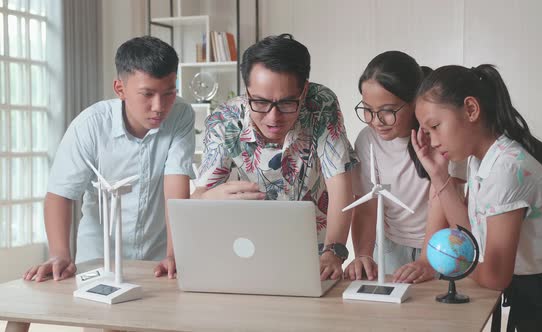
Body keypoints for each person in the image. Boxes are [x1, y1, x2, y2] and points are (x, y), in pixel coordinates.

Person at [410, 64, 542, 331]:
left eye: (435, 126)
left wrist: (458, 266)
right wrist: (438, 176)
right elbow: (471, 239)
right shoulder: (481, 160)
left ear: (471, 109)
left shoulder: (506, 168)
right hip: (536, 283)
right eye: (427, 132)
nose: (433, 141)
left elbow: (495, 277)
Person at [23, 36, 195, 282]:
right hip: (98, 256)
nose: (159, 106)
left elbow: (175, 183)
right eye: (147, 94)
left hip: (157, 258)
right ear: (120, 89)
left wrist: (173, 253)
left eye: (169, 93)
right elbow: (61, 193)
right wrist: (59, 254)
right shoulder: (90, 126)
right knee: (97, 318)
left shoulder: (181, 115)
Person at [192, 34, 357, 280]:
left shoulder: (321, 104)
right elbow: (196, 198)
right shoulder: (225, 119)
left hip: (313, 254)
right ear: (246, 89)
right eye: (259, 102)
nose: (273, 117)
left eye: (287, 103)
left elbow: (340, 182)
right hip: (243, 249)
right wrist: (207, 199)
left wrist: (335, 250)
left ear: (304, 90)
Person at [343, 51, 465, 283]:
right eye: (367, 109)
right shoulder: (368, 140)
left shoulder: (440, 137)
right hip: (390, 246)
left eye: (387, 111)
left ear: (413, 103)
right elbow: (367, 206)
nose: (376, 121)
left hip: (443, 246)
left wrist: (427, 261)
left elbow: (442, 197)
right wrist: (363, 254)